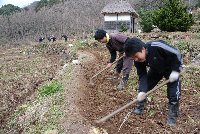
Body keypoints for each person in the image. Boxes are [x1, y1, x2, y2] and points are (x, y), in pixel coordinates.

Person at [123, 38, 182, 126]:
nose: (136, 59)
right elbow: (142, 76)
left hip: (171, 69)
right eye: (133, 57)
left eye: (136, 56)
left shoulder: (156, 46)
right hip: (156, 70)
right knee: (144, 87)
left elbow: (176, 53)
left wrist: (176, 70)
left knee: (173, 94)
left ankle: (172, 120)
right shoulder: (138, 61)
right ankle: (139, 109)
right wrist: (142, 91)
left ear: (143, 49)